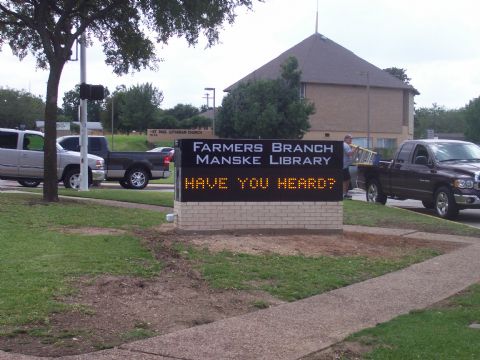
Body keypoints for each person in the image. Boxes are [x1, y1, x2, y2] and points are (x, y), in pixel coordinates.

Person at [343, 134, 355, 199]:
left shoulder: (345, 145)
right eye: (350, 138)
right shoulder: (346, 145)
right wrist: (354, 149)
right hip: (344, 166)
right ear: (346, 139)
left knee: (346, 180)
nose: (351, 140)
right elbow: (349, 153)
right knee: (346, 180)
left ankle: (345, 193)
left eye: (351, 139)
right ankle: (344, 194)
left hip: (345, 166)